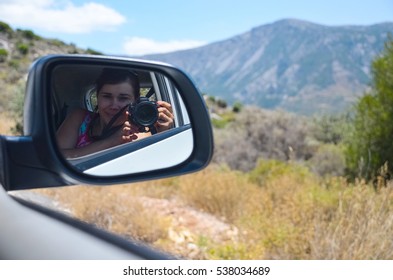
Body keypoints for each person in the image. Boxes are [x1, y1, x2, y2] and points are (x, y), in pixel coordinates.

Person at [56, 68, 174, 159]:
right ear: (97, 96)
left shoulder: (143, 134)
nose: (113, 106)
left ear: (135, 101)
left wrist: (162, 134)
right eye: (107, 96)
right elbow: (55, 156)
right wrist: (112, 141)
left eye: (123, 98)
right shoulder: (79, 118)